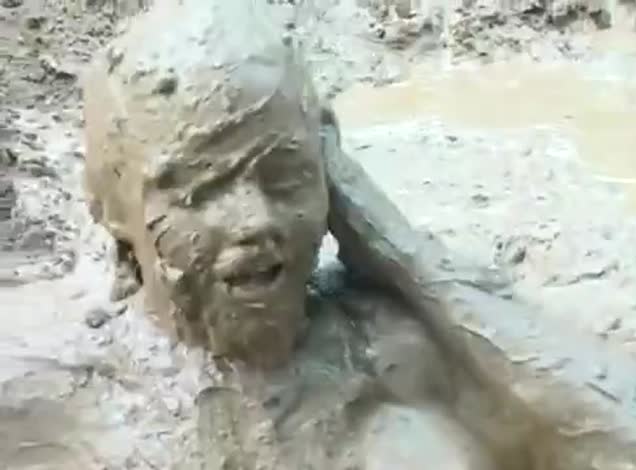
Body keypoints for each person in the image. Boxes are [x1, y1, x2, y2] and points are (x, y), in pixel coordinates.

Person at [83, 1, 508, 468]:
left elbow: (575, 427)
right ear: (111, 206)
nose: (256, 220)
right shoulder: (76, 401)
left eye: (285, 175)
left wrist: (405, 254)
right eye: (202, 192)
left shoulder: (392, 348)